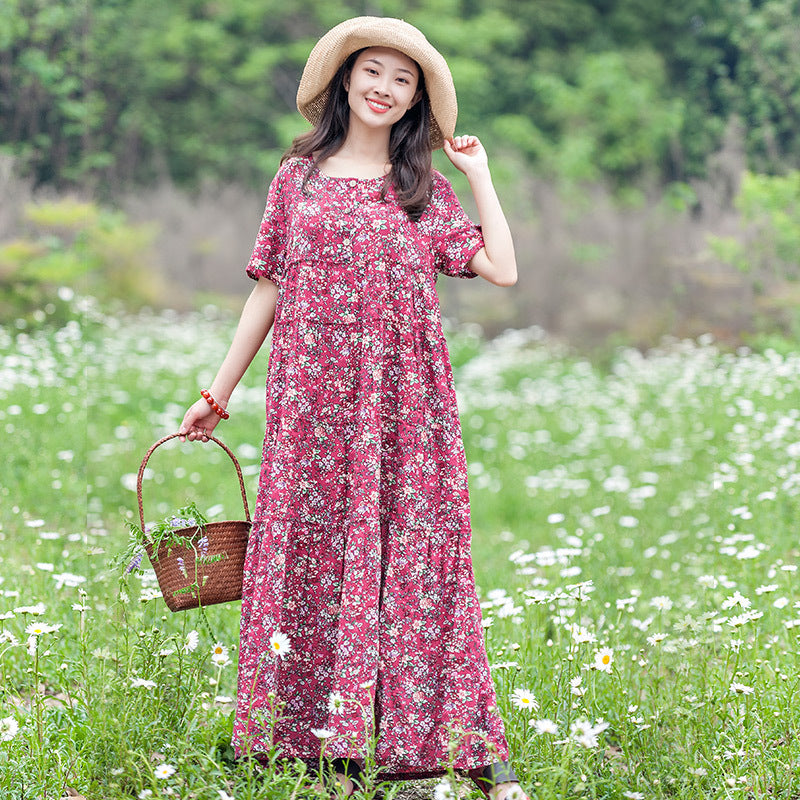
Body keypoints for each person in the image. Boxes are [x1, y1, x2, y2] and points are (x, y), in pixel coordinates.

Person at [178, 16, 525, 800]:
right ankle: (303, 741)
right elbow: (267, 287)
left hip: (406, 404)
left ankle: (447, 744)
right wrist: (217, 393)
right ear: (344, 81)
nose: (384, 88)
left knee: (418, 554)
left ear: (415, 102)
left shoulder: (419, 192)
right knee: (307, 550)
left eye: (403, 80)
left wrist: (479, 179)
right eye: (373, 71)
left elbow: (500, 268)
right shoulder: (294, 179)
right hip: (311, 405)